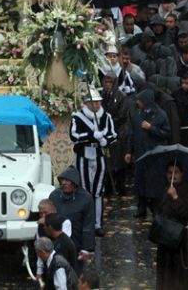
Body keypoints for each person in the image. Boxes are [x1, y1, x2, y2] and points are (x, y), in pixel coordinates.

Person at [70, 86, 117, 236]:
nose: (97, 105)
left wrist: (104, 140)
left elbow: (112, 134)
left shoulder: (106, 117)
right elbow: (74, 136)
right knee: (84, 189)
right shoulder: (77, 117)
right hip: (83, 155)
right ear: (87, 103)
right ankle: (85, 222)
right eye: (94, 102)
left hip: (99, 155)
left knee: (98, 191)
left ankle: (97, 223)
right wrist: (90, 136)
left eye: (98, 102)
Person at [126, 88, 171, 218]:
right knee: (140, 182)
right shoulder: (137, 114)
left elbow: (166, 133)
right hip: (140, 154)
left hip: (155, 155)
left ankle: (156, 209)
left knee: (154, 183)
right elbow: (132, 134)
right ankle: (141, 208)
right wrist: (129, 151)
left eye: (140, 100)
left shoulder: (161, 115)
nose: (137, 103)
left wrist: (151, 128)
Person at [154, 162, 188, 290]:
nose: (172, 175)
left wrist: (175, 197)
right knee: (164, 272)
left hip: (179, 241)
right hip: (164, 238)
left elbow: (186, 212)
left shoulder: (187, 190)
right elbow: (158, 210)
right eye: (169, 172)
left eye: (175, 172)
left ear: (182, 174)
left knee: (177, 274)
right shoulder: (165, 188)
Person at [48, 166, 96, 269]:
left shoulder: (86, 198)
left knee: (75, 276)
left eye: (67, 180)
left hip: (76, 245)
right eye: (62, 180)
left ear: (74, 182)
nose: (64, 183)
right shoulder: (54, 196)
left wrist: (86, 249)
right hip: (58, 245)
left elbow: (88, 225)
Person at [100, 71, 130, 196]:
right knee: (108, 162)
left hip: (118, 132)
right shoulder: (102, 95)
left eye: (110, 82)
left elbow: (122, 116)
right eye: (106, 82)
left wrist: (109, 123)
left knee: (119, 162)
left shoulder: (121, 96)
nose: (107, 85)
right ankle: (108, 187)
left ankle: (121, 187)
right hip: (106, 133)